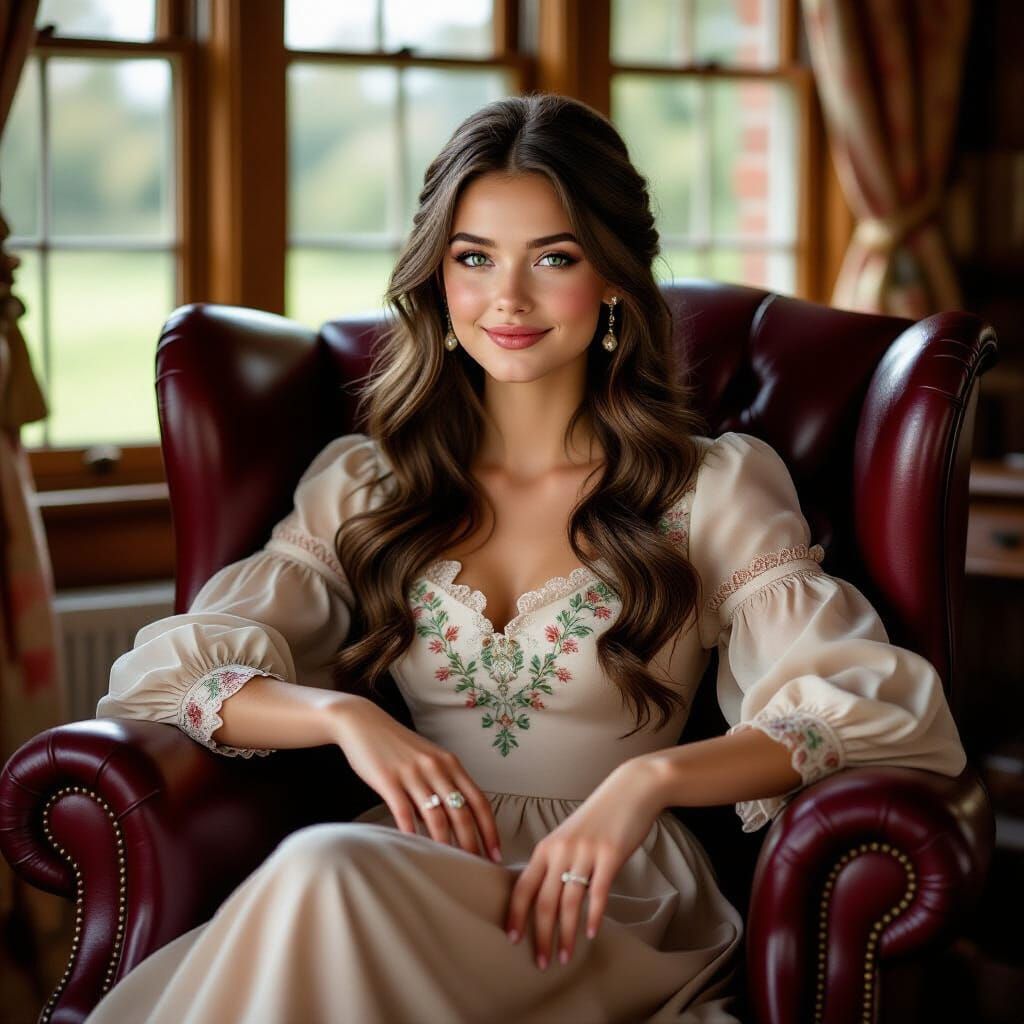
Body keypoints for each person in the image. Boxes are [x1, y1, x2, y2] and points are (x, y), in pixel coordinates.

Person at [87, 93, 967, 1023]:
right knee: (326, 872)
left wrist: (650, 779)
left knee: (321, 871)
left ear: (616, 279)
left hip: (604, 901)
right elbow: (163, 677)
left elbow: (870, 707)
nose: (507, 299)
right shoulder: (368, 485)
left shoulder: (710, 488)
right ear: (438, 279)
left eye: (554, 258)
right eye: (474, 259)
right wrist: (344, 716)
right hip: (407, 874)